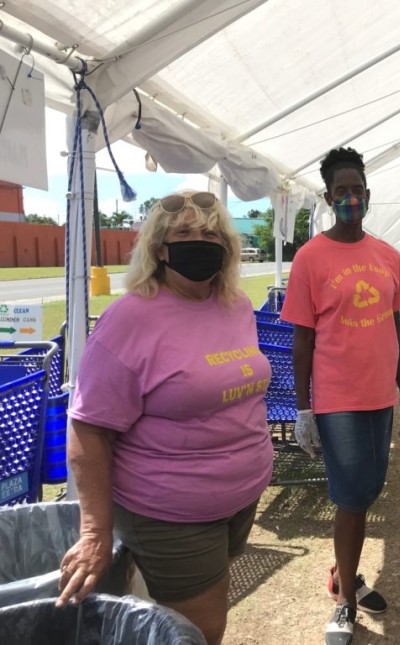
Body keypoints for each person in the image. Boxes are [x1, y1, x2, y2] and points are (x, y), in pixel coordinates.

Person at [56, 191, 273, 645]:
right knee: (201, 631)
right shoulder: (129, 318)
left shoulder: (234, 304)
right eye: (185, 233)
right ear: (158, 248)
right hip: (172, 512)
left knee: (206, 602)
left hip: (241, 495)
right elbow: (89, 429)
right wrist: (95, 531)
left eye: (212, 234)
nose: (201, 242)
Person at [280, 147, 400, 645]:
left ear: (368, 195)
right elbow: (302, 339)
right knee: (352, 496)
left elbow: (395, 326)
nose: (351, 198)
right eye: (341, 192)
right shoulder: (310, 257)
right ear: (328, 198)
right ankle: (345, 601)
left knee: (369, 489)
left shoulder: (388, 255)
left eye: (357, 190)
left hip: (380, 395)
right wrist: (303, 408)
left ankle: (343, 572)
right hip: (338, 399)